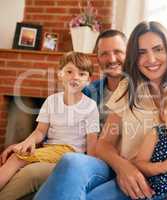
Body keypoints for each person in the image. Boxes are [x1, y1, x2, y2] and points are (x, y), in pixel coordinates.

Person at [33, 21, 167, 200]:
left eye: (158, 49)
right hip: (121, 170)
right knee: (70, 161)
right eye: (142, 52)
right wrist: (125, 168)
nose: (151, 59)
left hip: (157, 184)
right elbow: (104, 144)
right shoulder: (128, 88)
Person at [0, 29, 127, 200]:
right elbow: (48, 130)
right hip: (67, 153)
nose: (111, 59)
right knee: (20, 163)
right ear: (98, 57)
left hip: (99, 160)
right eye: (105, 53)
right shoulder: (90, 90)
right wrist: (24, 145)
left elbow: (91, 144)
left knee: (29, 171)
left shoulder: (135, 92)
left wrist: (87, 165)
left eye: (118, 52)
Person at [0, 51, 99, 190]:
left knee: (17, 159)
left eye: (82, 74)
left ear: (88, 80)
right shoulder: (52, 101)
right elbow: (40, 131)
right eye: (69, 71)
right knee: (17, 155)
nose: (75, 77)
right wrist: (26, 142)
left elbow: (92, 142)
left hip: (70, 153)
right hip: (50, 149)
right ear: (60, 75)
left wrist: (90, 169)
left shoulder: (90, 106)